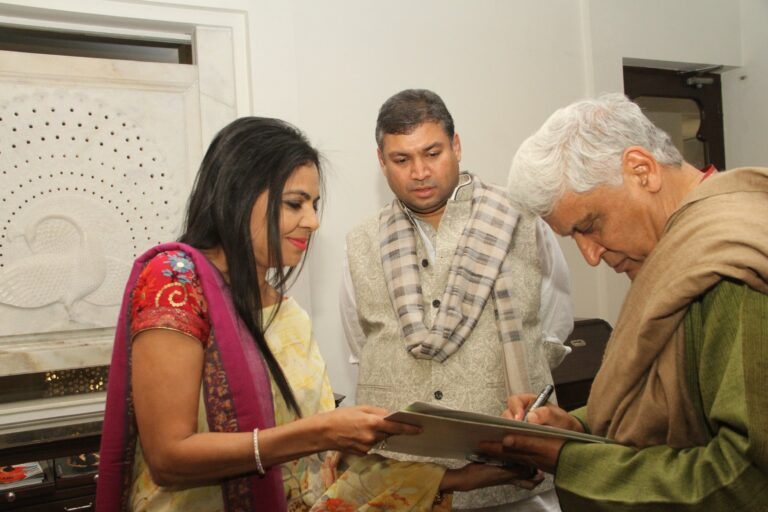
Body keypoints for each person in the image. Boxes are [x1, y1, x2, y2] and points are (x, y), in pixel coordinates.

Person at [96, 116, 538, 512]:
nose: (312, 221)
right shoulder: (175, 282)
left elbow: (320, 469)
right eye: (295, 204)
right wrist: (321, 432)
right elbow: (170, 458)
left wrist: (461, 478)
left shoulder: (288, 313)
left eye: (314, 204)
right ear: (239, 193)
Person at [489, 92, 768, 510]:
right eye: (573, 237)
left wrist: (571, 459)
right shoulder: (682, 250)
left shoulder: (730, 265)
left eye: (590, 225)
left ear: (641, 170)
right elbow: (672, 398)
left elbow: (746, 477)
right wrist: (576, 425)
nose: (590, 255)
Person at [340, 89, 574, 511]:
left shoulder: (521, 221)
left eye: (432, 153)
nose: (420, 172)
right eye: (401, 160)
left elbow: (554, 327)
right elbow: (363, 344)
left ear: (457, 145)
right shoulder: (361, 242)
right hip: (402, 483)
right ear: (381, 162)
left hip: (512, 472)